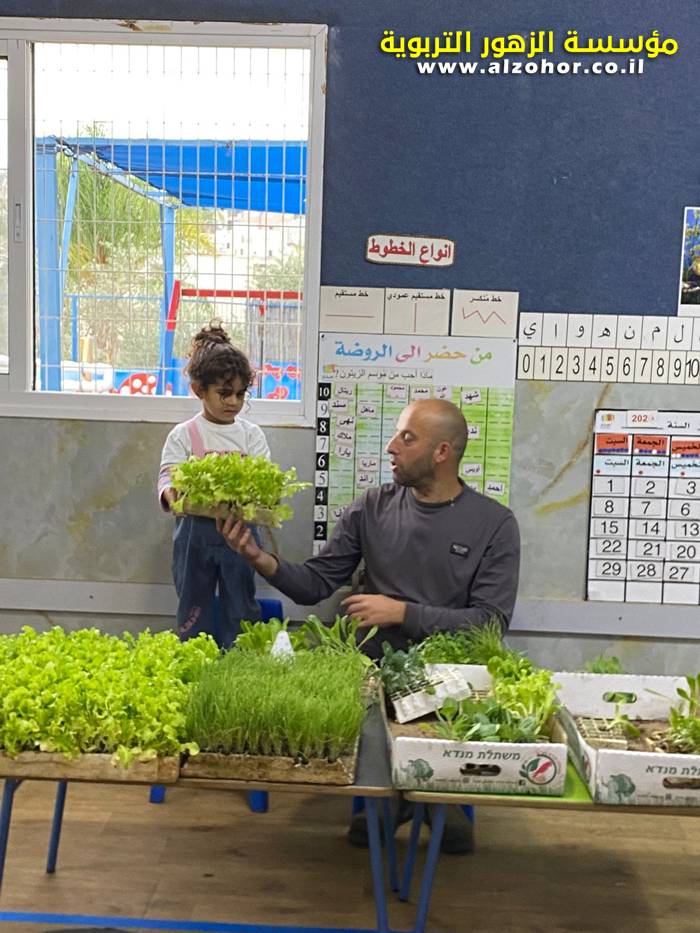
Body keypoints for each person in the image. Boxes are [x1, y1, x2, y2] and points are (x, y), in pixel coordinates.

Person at [219, 397, 521, 853]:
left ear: (442, 452)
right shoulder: (374, 507)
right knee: (367, 835)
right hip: (371, 672)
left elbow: (490, 622)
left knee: (452, 843)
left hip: (449, 679)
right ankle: (394, 796)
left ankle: (434, 797)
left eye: (407, 438)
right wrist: (259, 559)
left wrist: (401, 612)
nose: (391, 447)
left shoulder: (494, 524)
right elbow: (316, 584)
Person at [158, 321, 271, 647]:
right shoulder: (184, 434)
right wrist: (170, 493)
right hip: (194, 534)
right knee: (194, 602)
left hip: (241, 532)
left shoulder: (251, 435)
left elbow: (264, 479)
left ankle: (240, 661)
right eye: (224, 393)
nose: (233, 401)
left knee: (241, 600)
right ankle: (197, 657)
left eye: (240, 394)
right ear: (199, 390)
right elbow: (167, 474)